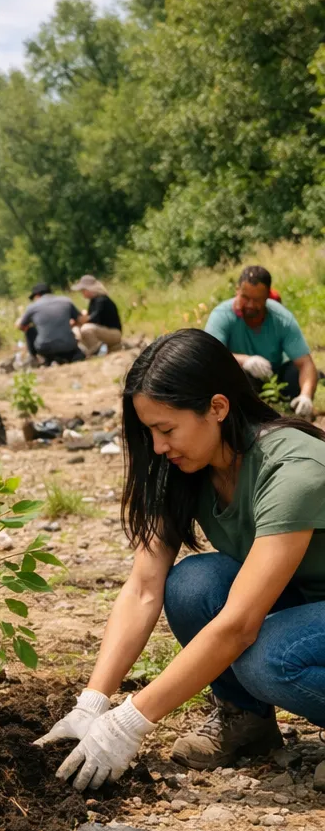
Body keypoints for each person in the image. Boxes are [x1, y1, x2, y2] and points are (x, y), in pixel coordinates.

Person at [36, 328, 325, 790]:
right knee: (192, 583)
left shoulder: (293, 470)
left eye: (166, 429)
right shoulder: (186, 468)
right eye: (149, 431)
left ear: (217, 407)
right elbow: (144, 587)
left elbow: (239, 625)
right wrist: (92, 703)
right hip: (308, 603)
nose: (157, 446)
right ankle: (246, 722)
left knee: (268, 656)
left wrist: (130, 721)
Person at [203, 265, 317, 420]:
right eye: (245, 297)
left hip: (274, 377)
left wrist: (306, 396)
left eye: (256, 300)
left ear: (267, 297)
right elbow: (209, 356)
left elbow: (305, 363)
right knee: (232, 374)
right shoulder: (221, 315)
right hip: (240, 380)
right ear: (238, 291)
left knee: (295, 373)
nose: (250, 305)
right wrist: (245, 361)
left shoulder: (281, 318)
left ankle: (295, 413)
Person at [16, 283, 84, 365]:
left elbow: (21, 326)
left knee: (30, 330)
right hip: (68, 346)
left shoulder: (32, 307)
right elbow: (81, 320)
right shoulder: (66, 301)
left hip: (45, 348)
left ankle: (35, 359)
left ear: (37, 295)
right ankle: (66, 358)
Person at [70, 274, 122, 357]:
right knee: (77, 330)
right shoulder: (93, 301)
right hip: (103, 331)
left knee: (86, 329)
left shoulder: (102, 300)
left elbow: (94, 319)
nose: (82, 293)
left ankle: (99, 351)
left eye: (83, 290)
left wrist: (78, 320)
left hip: (114, 332)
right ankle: (93, 350)